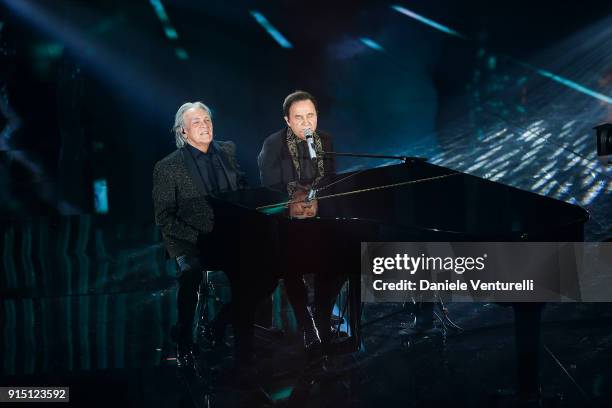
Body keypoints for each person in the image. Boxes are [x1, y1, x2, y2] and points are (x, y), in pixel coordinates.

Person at [152, 101, 251, 370]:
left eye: (207, 120)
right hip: (189, 238)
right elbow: (164, 217)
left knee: (265, 267)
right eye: (197, 122)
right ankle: (184, 333)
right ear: (183, 132)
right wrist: (197, 238)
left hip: (228, 233)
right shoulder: (167, 166)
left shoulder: (227, 151)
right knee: (191, 272)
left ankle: (220, 323)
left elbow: (243, 189)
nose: (205, 126)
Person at [258, 91, 347, 355]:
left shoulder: (325, 139)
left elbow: (331, 179)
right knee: (291, 265)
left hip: (319, 216)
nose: (306, 123)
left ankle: (321, 315)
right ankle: (306, 323)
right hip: (288, 221)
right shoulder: (273, 145)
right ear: (287, 120)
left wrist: (320, 198)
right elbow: (269, 185)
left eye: (311, 116)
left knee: (342, 259)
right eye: (299, 118)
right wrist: (294, 197)